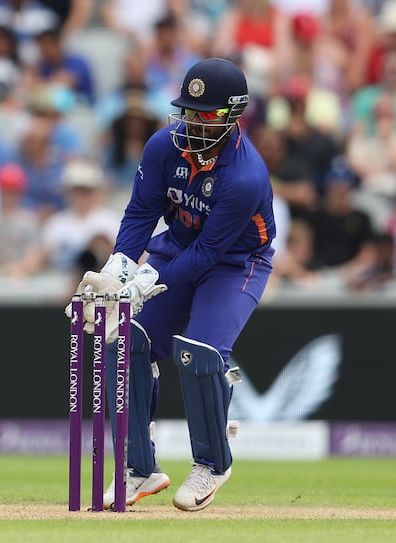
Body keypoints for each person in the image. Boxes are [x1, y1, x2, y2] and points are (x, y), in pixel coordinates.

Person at [68, 58, 275, 512]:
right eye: (188, 111)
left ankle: (212, 464)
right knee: (124, 338)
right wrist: (118, 270)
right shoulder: (164, 145)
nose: (193, 124)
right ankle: (140, 468)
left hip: (236, 262)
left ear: (233, 115)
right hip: (178, 243)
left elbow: (209, 254)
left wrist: (144, 284)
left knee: (199, 353)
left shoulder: (246, 176)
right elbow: (141, 212)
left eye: (205, 115)